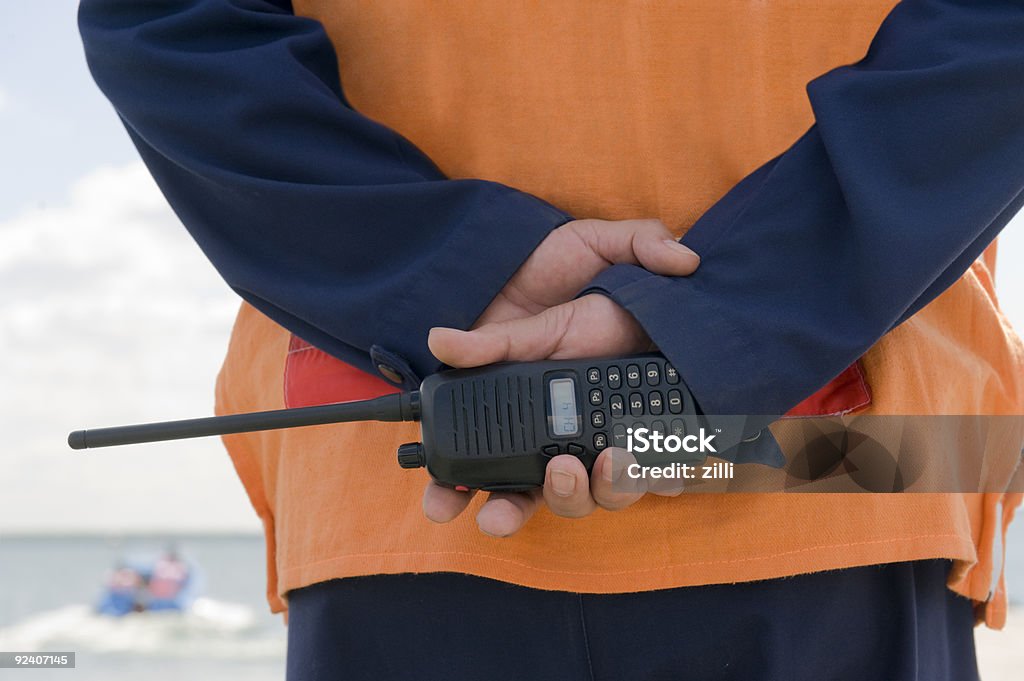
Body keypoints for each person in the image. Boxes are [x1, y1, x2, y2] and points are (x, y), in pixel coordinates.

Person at [79, 0, 1024, 678]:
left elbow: (168, 24)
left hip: (380, 472)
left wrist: (454, 271)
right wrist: (726, 313)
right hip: (855, 457)